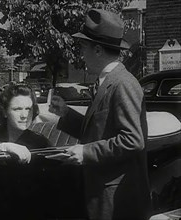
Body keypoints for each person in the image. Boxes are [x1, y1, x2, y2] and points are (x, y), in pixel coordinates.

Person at [49, 9, 151, 220]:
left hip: (116, 204)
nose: (80, 54)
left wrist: (86, 152)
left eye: (83, 47)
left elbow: (133, 140)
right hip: (102, 196)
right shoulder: (109, 82)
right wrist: (66, 113)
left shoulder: (123, 84)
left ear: (97, 50)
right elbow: (100, 131)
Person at [0, 82, 51, 220]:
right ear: (4, 111)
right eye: (17, 109)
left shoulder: (40, 143)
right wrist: (3, 147)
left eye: (28, 109)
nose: (24, 115)